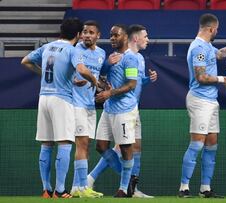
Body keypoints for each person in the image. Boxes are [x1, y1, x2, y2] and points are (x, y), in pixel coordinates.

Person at [21, 18, 97, 198]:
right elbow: (82, 69)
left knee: (46, 144)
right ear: (78, 35)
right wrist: (94, 80)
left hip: (44, 98)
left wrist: (47, 75)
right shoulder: (72, 49)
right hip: (62, 100)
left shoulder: (48, 47)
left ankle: (46, 189)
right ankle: (60, 190)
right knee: (65, 143)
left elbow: (25, 61)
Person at [87, 24, 157, 198]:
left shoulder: (131, 59)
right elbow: (101, 75)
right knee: (101, 146)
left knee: (126, 148)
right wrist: (106, 65)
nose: (112, 38)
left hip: (125, 109)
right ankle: (130, 178)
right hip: (109, 109)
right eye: (110, 35)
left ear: (125, 37)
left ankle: (124, 188)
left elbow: (132, 84)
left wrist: (109, 92)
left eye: (115, 35)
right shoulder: (110, 57)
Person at [178, 13, 226, 198]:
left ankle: (205, 188)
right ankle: (184, 187)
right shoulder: (198, 48)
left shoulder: (207, 46)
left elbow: (220, 54)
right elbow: (201, 77)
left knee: (212, 144)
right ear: (211, 29)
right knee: (197, 144)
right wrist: (223, 79)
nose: (217, 32)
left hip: (211, 101)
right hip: (200, 100)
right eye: (217, 29)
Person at [69, 20, 105, 198]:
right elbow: (76, 71)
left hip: (90, 105)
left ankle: (76, 187)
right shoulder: (76, 50)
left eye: (91, 32)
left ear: (98, 35)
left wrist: (102, 83)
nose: (87, 35)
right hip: (77, 104)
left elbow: (101, 75)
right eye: (84, 32)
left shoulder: (101, 53)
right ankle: (83, 188)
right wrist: (77, 80)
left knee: (87, 145)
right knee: (81, 143)